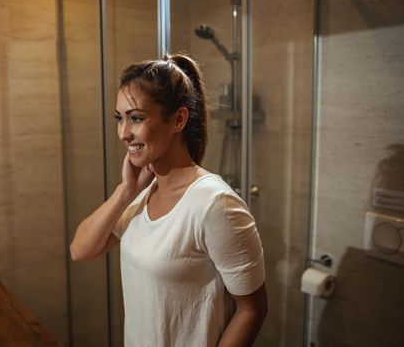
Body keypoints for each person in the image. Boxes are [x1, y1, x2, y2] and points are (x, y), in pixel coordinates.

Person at [70, 53, 267, 347]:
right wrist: (125, 190)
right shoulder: (142, 193)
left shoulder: (215, 204)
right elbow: (81, 250)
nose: (124, 133)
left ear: (178, 119)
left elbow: (252, 309)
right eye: (119, 118)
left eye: (136, 118)